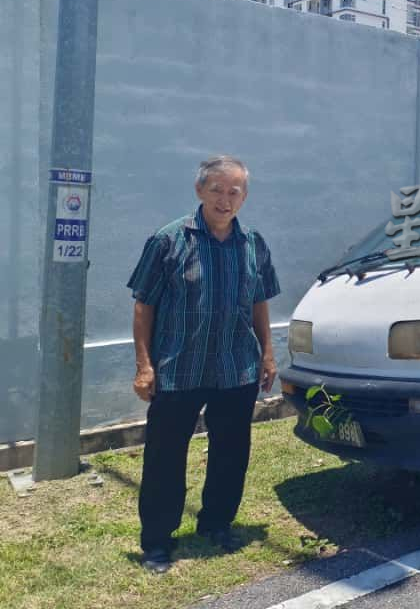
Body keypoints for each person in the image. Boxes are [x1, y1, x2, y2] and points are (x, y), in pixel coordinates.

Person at [128, 156, 280, 573]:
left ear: (244, 197)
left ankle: (216, 524)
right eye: (217, 189)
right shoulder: (168, 240)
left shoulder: (253, 243)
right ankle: (157, 542)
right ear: (199, 191)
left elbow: (259, 300)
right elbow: (144, 305)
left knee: (232, 451)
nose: (225, 199)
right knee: (165, 455)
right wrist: (144, 365)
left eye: (235, 192)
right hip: (180, 367)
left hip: (236, 367)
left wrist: (267, 352)